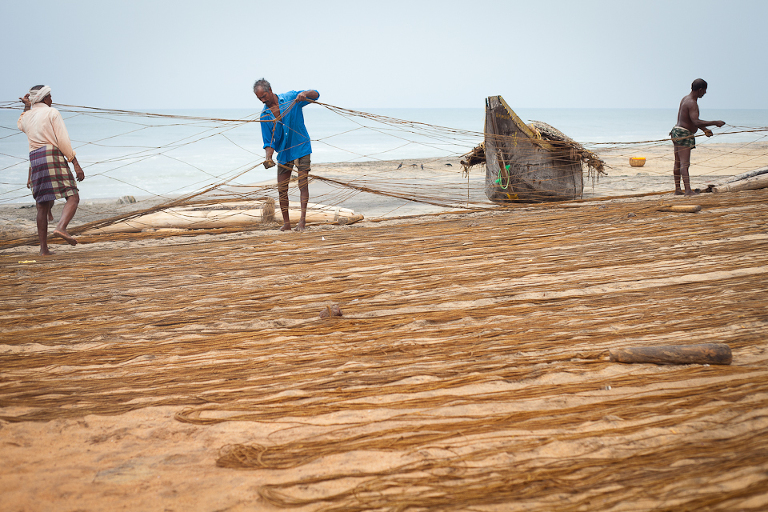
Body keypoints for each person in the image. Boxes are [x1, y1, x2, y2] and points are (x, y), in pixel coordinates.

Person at [18, 85, 85, 255]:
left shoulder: (27, 116)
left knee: (41, 204)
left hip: (35, 159)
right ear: (45, 98)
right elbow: (62, 140)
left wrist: (27, 105)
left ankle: (43, 250)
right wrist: (74, 162)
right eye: (50, 96)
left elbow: (21, 123)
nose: (52, 100)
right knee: (73, 196)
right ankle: (61, 227)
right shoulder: (52, 112)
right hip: (51, 154)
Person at [254, 78, 319, 231]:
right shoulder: (264, 115)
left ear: (270, 90)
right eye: (259, 99)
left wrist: (304, 94)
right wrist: (268, 157)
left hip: (301, 146)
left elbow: (316, 94)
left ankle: (302, 222)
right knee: (282, 189)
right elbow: (268, 142)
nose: (263, 100)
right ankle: (287, 223)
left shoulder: (291, 98)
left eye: (264, 96)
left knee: (303, 183)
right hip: (284, 152)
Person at [670, 78, 725, 196]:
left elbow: (689, 120)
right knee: (685, 164)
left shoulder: (685, 98)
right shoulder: (692, 103)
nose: (705, 93)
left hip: (676, 131)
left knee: (678, 162)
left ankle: (678, 189)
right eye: (704, 91)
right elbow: (696, 121)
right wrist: (715, 122)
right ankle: (688, 191)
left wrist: (704, 129)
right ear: (700, 90)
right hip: (683, 135)